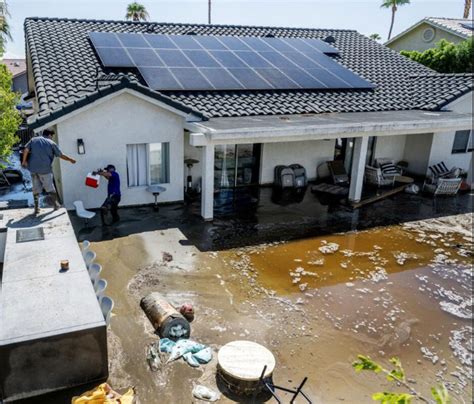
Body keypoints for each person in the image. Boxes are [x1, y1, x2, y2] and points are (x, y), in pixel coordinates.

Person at [22, 129, 76, 214]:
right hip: (45, 170)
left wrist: (24, 161)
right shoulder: (51, 143)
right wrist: (70, 159)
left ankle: (36, 209)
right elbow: (60, 155)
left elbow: (25, 150)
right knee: (50, 188)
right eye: (52, 136)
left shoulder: (34, 140)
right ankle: (56, 205)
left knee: (36, 189)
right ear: (50, 135)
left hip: (33, 169)